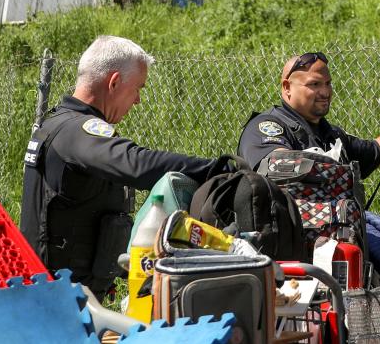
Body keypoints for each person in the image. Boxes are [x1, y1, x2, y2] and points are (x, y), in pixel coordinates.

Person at [20, 35, 228, 297]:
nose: (138, 100)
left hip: (58, 288)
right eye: (137, 88)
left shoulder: (59, 124)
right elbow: (138, 164)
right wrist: (218, 169)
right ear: (114, 82)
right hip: (60, 297)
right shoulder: (77, 131)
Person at [237, 50, 380, 177]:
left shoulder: (330, 135)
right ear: (287, 88)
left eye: (328, 83)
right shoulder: (267, 127)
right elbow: (275, 167)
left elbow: (378, 151)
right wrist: (338, 170)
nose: (325, 92)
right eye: (314, 84)